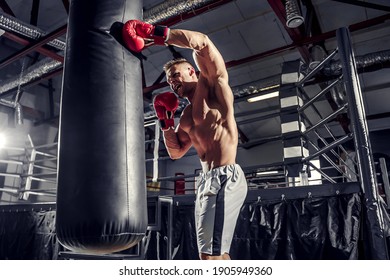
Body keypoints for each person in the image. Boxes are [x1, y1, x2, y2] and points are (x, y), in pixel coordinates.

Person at [122, 19, 248, 260]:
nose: (172, 81)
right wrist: (165, 121)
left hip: (224, 176)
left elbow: (202, 42)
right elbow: (176, 152)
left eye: (175, 75)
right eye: (169, 80)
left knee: (211, 257)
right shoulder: (187, 117)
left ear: (191, 70)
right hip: (205, 181)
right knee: (211, 255)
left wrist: (156, 33)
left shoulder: (212, 86)